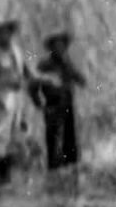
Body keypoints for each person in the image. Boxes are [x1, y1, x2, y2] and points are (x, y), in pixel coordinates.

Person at [0, 17, 32, 185]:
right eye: (1, 34)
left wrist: (30, 82)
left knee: (17, 135)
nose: (5, 36)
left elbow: (24, 71)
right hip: (3, 99)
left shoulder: (16, 51)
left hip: (18, 98)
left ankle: (16, 175)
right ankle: (3, 177)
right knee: (1, 138)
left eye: (7, 32)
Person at [33, 30, 87, 172]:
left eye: (62, 45)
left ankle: (72, 169)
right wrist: (39, 103)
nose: (60, 48)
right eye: (56, 45)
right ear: (51, 48)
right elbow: (33, 85)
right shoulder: (44, 65)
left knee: (70, 139)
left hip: (67, 105)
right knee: (53, 141)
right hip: (52, 106)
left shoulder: (66, 63)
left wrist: (73, 72)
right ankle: (54, 173)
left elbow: (81, 80)